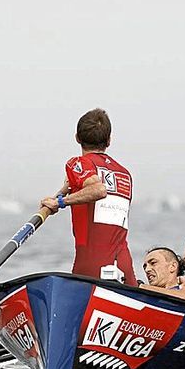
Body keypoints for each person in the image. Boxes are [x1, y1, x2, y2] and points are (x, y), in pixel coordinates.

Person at [41, 108, 137, 285]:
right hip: (123, 268)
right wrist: (59, 196)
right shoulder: (125, 174)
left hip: (91, 266)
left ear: (77, 137)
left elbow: (98, 190)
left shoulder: (77, 163)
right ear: (109, 140)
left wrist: (61, 202)